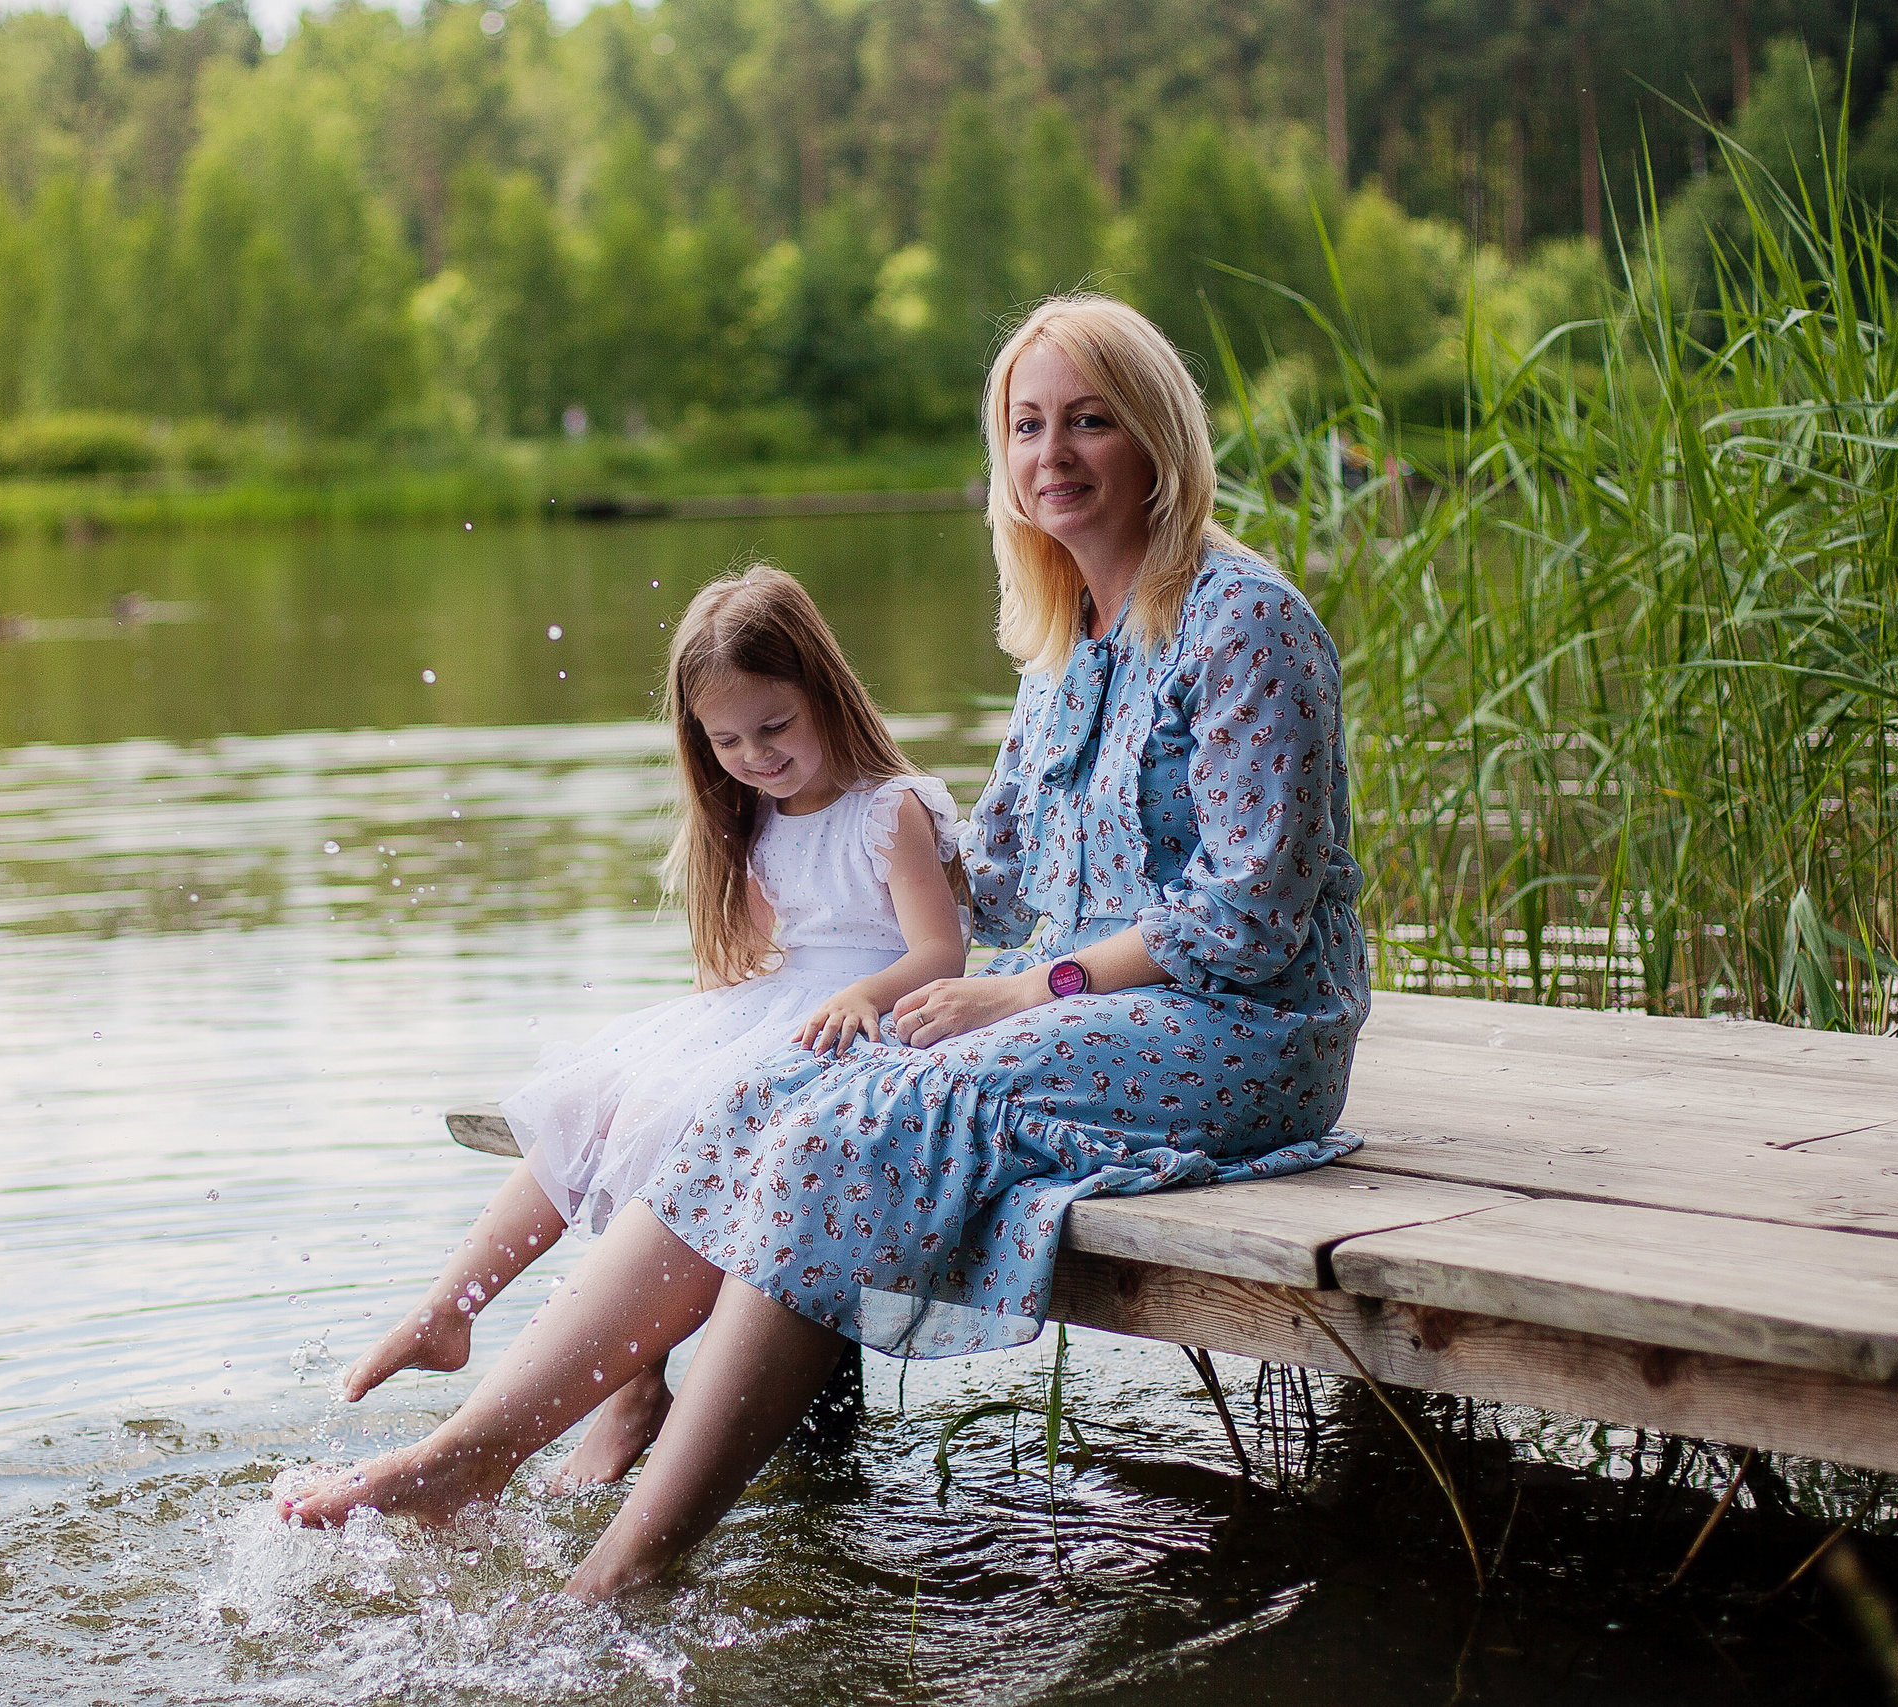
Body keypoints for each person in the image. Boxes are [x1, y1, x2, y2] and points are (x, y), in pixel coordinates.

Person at [278, 295, 1371, 1602]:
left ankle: (630, 1561)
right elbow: (1005, 870)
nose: (1054, 453)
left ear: (1158, 437)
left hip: (1240, 1033)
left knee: (876, 1118)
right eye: (1028, 424)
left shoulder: (1245, 623)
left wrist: (1027, 983)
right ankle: (474, 1451)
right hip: (1078, 1016)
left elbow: (1251, 916)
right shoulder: (1066, 643)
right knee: (767, 1090)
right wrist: (846, 835)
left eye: (1091, 419)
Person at [303, 564, 968, 1494]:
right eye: (728, 740)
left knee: (695, 1112)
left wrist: (870, 995)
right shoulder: (763, 820)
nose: (758, 756)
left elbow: (942, 953)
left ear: (823, 689)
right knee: (604, 1093)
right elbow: (748, 965)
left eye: (775, 727)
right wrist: (703, 1028)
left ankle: (628, 1385)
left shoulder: (887, 811)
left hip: (863, 1029)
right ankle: (452, 1305)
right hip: (781, 1013)